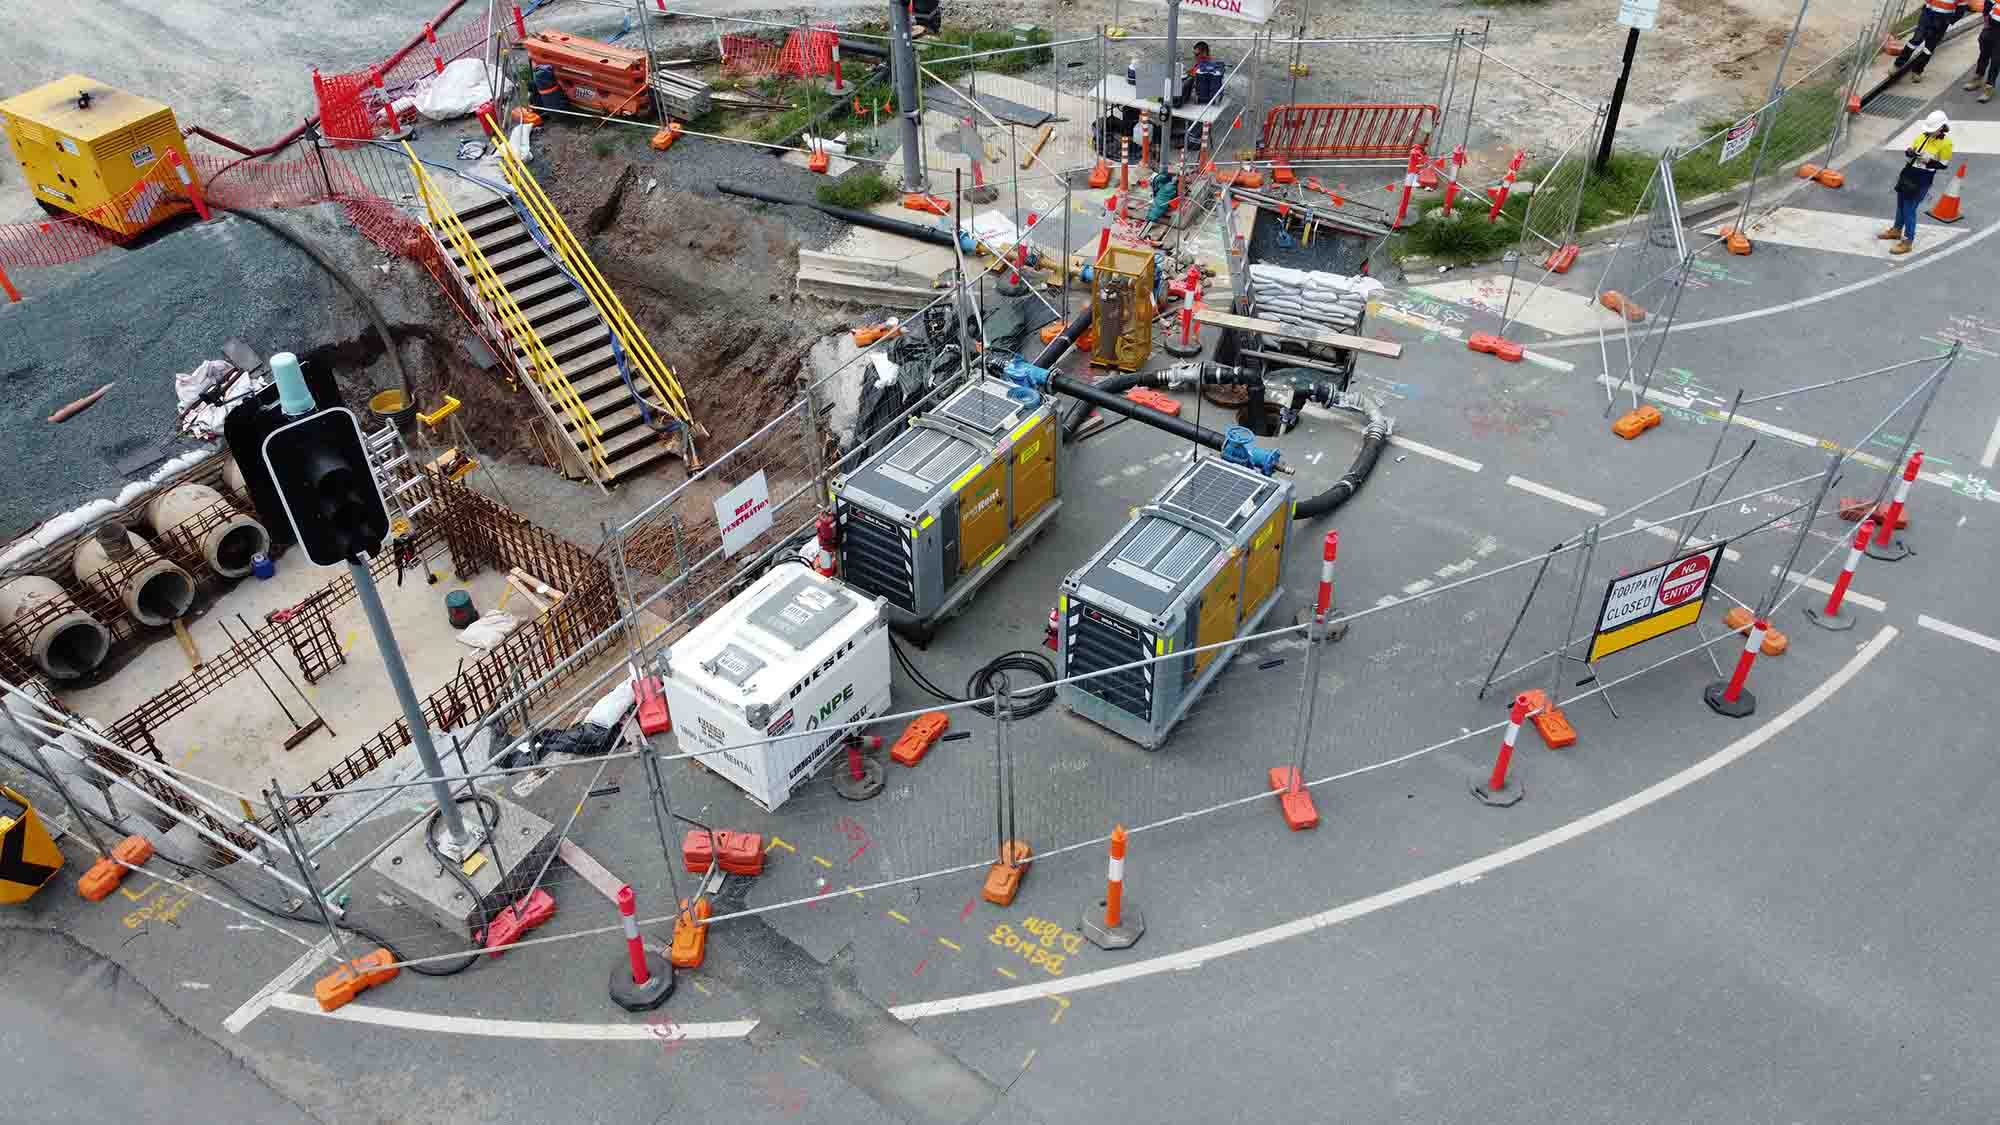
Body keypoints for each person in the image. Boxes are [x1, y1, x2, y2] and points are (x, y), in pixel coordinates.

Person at [1882, 111, 1953, 255]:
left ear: (1942, 128)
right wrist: (1910, 153)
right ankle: (1896, 230)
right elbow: (1910, 152)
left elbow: (1944, 165)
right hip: (1909, 172)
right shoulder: (1922, 136)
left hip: (1923, 178)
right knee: (1901, 203)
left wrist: (1929, 162)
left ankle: (1908, 241)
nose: (1929, 132)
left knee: (1909, 209)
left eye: (1932, 130)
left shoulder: (1946, 143)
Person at [1904, 0, 1970, 82]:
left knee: (1929, 48)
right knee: (1916, 40)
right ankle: (1898, 64)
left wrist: (1950, 20)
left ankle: (1917, 71)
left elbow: (1961, 9)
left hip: (1943, 22)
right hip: (1928, 15)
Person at [1965, 0, 2000, 101]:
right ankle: (1978, 78)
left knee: (1996, 59)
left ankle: (1989, 87)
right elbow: (1989, 2)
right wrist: (1986, 21)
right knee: (1984, 53)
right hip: (1991, 25)